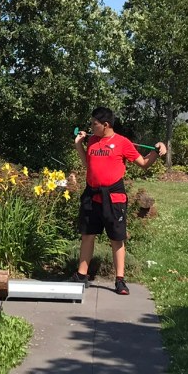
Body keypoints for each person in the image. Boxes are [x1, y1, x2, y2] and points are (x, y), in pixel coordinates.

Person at [71, 107, 167, 296]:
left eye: (94, 124)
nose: (91, 126)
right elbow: (88, 165)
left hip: (114, 198)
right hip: (92, 196)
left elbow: (144, 163)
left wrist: (158, 151)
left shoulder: (122, 143)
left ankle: (120, 280)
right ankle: (82, 275)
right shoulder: (92, 140)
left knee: (116, 238)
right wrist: (79, 146)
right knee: (87, 235)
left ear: (105, 125)